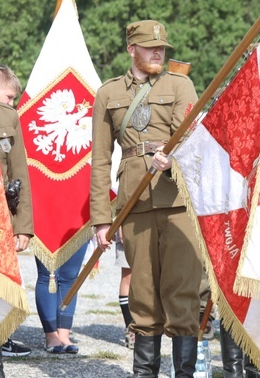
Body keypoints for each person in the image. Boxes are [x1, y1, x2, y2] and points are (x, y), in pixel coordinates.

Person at [90, 20, 202, 377]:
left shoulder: (180, 84)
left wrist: (174, 162)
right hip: (133, 203)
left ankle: (183, 372)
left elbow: (197, 143)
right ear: (131, 50)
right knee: (142, 296)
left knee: (183, 294)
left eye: (162, 48)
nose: (158, 53)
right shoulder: (107, 94)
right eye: (150, 47)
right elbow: (100, 159)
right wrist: (101, 219)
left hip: (177, 202)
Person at [0, 58, 34, 373]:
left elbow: (18, 174)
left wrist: (23, 227)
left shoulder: (7, 118)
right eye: (10, 96)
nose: (12, 102)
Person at [35, 241, 89, 353]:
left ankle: (64, 335)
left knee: (70, 276)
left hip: (78, 224)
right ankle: (51, 335)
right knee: (48, 275)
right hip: (45, 223)